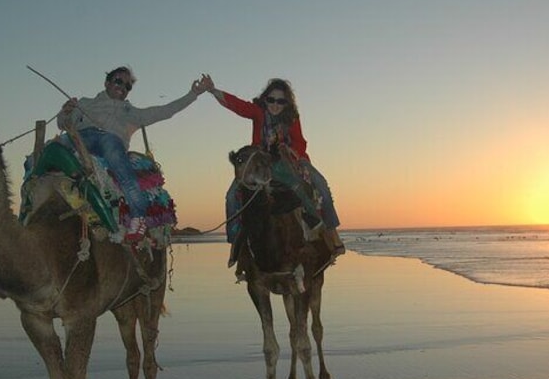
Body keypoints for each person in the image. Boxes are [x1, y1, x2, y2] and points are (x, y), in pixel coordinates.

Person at [58, 66, 211, 240]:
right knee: (55, 145)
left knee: (110, 141)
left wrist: (193, 94)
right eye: (118, 81)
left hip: (111, 144)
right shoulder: (84, 103)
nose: (123, 87)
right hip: (81, 139)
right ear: (107, 82)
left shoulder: (132, 114)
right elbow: (63, 123)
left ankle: (138, 215)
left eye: (128, 86)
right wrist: (66, 111)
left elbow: (166, 111)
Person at [205, 76, 345, 264]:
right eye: (271, 99)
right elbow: (238, 106)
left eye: (280, 101)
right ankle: (235, 243)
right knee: (232, 195)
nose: (275, 104)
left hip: (291, 159)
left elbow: (300, 142)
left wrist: (291, 153)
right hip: (260, 162)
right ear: (265, 99)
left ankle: (331, 232)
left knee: (320, 184)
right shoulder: (258, 112)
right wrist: (214, 91)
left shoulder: (292, 117)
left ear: (287, 102)